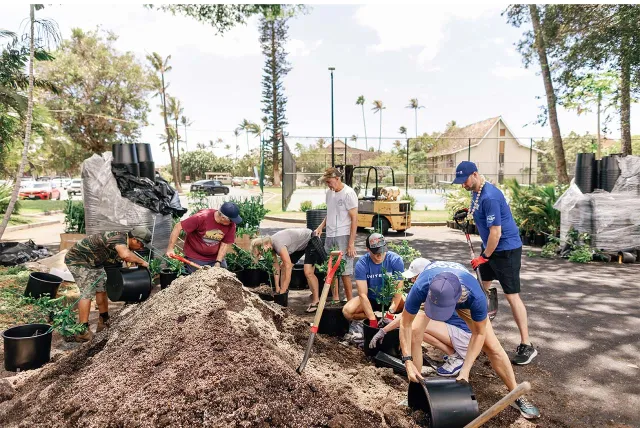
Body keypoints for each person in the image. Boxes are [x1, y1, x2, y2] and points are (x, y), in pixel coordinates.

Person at [399, 261, 540, 420]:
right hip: (437, 293)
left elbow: (478, 334)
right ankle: (416, 394)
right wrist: (407, 361)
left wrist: (465, 370)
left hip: (462, 295)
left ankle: (516, 395)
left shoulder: (475, 295)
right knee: (415, 332)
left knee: (493, 347)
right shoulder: (421, 287)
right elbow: (405, 324)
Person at [452, 161, 537, 365]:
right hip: (490, 248)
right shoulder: (477, 191)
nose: (463, 185)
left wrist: (484, 257)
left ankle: (527, 345)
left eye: (465, 180)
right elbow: (482, 216)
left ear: (475, 174)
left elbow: (496, 232)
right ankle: (476, 335)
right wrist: (468, 211)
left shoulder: (490, 196)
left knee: (512, 295)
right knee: (480, 291)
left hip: (505, 249)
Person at [370, 258, 472, 376]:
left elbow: (410, 318)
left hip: (466, 338)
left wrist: (384, 330)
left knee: (416, 326)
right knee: (419, 328)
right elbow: (407, 315)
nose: (413, 280)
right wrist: (392, 323)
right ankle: (454, 355)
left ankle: (458, 358)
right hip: (458, 334)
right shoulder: (439, 285)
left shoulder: (434, 292)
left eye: (414, 277)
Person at [65, 226, 152, 342]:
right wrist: (142, 262)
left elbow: (123, 260)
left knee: (101, 288)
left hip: (94, 262)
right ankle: (82, 331)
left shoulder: (124, 244)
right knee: (87, 292)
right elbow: (125, 255)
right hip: (78, 259)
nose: (141, 248)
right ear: (135, 240)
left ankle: (104, 320)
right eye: (141, 245)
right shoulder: (117, 238)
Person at [250, 228, 325, 312]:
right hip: (300, 245)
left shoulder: (278, 244)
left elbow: (289, 266)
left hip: (311, 239)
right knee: (283, 267)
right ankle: (282, 293)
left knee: (308, 272)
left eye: (260, 252)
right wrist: (278, 288)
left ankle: (316, 301)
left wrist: (284, 289)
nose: (262, 255)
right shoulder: (271, 245)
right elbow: (276, 267)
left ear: (265, 244)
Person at [314, 167, 358, 302]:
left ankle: (350, 301)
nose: (327, 184)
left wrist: (351, 243)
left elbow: (354, 219)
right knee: (331, 270)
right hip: (330, 235)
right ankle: (336, 299)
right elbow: (330, 213)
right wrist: (321, 226)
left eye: (329, 181)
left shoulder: (349, 193)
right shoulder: (329, 193)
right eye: (326, 182)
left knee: (345, 272)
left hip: (343, 236)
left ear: (338, 179)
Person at [343, 233, 405, 326]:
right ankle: (375, 317)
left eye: (382, 251)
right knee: (347, 311)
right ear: (368, 249)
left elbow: (398, 290)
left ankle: (394, 322)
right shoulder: (362, 264)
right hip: (370, 299)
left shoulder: (395, 260)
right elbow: (362, 294)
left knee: (411, 307)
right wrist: (372, 319)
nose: (379, 255)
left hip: (390, 298)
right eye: (376, 252)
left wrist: (390, 313)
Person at [166, 201, 241, 273]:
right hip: (196, 256)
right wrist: (170, 249)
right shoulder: (202, 217)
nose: (233, 222)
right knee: (199, 281)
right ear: (223, 218)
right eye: (231, 220)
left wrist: (218, 262)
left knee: (223, 277)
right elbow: (178, 227)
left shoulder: (231, 225)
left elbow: (224, 244)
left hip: (214, 257)